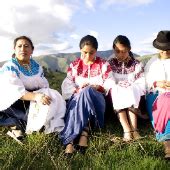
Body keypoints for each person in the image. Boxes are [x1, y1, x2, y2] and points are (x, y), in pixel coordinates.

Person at [0, 36, 66, 143]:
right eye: (19, 46)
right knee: (31, 121)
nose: (23, 49)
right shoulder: (10, 67)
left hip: (30, 101)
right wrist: (36, 96)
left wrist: (45, 95)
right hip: (12, 101)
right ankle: (14, 125)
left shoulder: (36, 67)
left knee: (53, 104)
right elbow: (15, 92)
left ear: (32, 50)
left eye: (26, 46)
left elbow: (43, 86)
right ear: (14, 49)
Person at [60, 35, 115, 155]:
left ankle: (69, 140)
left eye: (92, 52)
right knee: (81, 95)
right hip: (78, 97)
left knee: (87, 91)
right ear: (80, 50)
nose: (88, 56)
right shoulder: (74, 65)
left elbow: (110, 82)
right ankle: (84, 132)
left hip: (96, 100)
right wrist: (78, 90)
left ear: (96, 51)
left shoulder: (103, 64)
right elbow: (67, 84)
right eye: (85, 52)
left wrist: (97, 87)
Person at [108, 35, 145, 141]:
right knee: (116, 89)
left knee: (130, 88)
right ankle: (127, 129)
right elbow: (108, 80)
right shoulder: (110, 63)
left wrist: (130, 85)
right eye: (117, 51)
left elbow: (141, 82)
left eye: (123, 51)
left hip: (133, 93)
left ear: (129, 49)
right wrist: (118, 85)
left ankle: (134, 129)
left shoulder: (136, 64)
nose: (120, 54)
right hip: (116, 93)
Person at [145, 30, 170, 159]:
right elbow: (145, 82)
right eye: (162, 50)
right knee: (166, 101)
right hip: (155, 95)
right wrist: (157, 83)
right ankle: (167, 143)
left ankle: (167, 142)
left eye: (168, 49)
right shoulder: (152, 62)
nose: (165, 52)